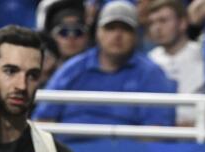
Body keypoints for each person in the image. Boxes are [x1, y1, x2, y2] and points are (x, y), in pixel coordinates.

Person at [34, 0, 177, 127]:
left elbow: (157, 131)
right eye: (110, 28)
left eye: (125, 29)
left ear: (136, 36)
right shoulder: (72, 69)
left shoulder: (151, 74)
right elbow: (43, 119)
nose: (117, 35)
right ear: (98, 33)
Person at [147, 0, 205, 126]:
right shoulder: (149, 60)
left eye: (163, 21)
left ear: (182, 23)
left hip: (199, 132)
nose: (157, 28)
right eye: (152, 23)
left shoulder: (204, 55)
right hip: (158, 132)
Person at [46, 3, 92, 69]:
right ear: (52, 36)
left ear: (88, 36)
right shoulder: (40, 73)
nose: (71, 38)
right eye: (64, 32)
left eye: (78, 31)